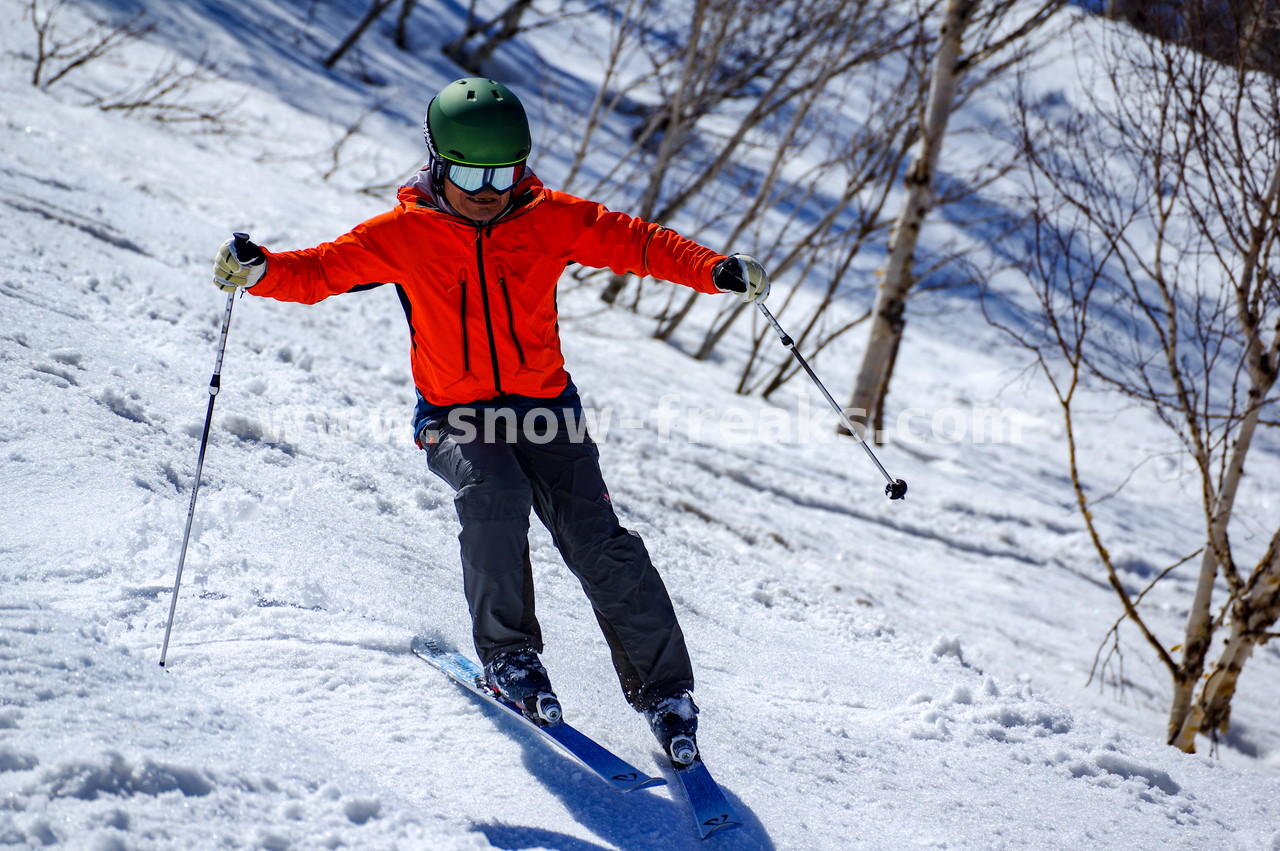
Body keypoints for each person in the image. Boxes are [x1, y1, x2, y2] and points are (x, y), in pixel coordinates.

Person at [212, 77, 769, 765]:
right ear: (438, 162)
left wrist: (713, 269)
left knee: (600, 541)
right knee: (495, 496)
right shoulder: (403, 234)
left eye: (504, 171)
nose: (488, 188)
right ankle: (511, 659)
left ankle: (666, 693)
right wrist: (259, 269)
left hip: (546, 408)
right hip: (454, 415)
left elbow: (638, 243)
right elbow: (320, 271)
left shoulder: (548, 217)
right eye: (472, 171)